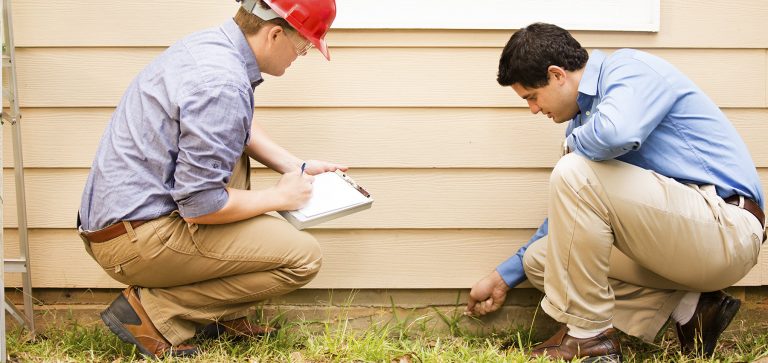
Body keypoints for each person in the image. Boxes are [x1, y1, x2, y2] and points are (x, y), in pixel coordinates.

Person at [465, 23, 765, 361]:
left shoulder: (628, 71)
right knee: (543, 259)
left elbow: (617, 133)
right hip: (681, 242)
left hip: (726, 227)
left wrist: (571, 148)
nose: (534, 109)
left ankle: (590, 338)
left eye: (532, 97)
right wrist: (504, 277)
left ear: (556, 75)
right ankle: (692, 307)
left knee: (573, 172)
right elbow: (572, 219)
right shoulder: (582, 126)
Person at [77, 0, 341, 358]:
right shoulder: (222, 84)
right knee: (303, 257)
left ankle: (223, 315)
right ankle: (154, 313)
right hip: (135, 240)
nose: (303, 54)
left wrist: (295, 166)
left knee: (229, 160)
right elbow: (201, 205)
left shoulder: (212, 47)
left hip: (124, 221)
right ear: (275, 33)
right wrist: (281, 197)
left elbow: (234, 126)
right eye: (304, 44)